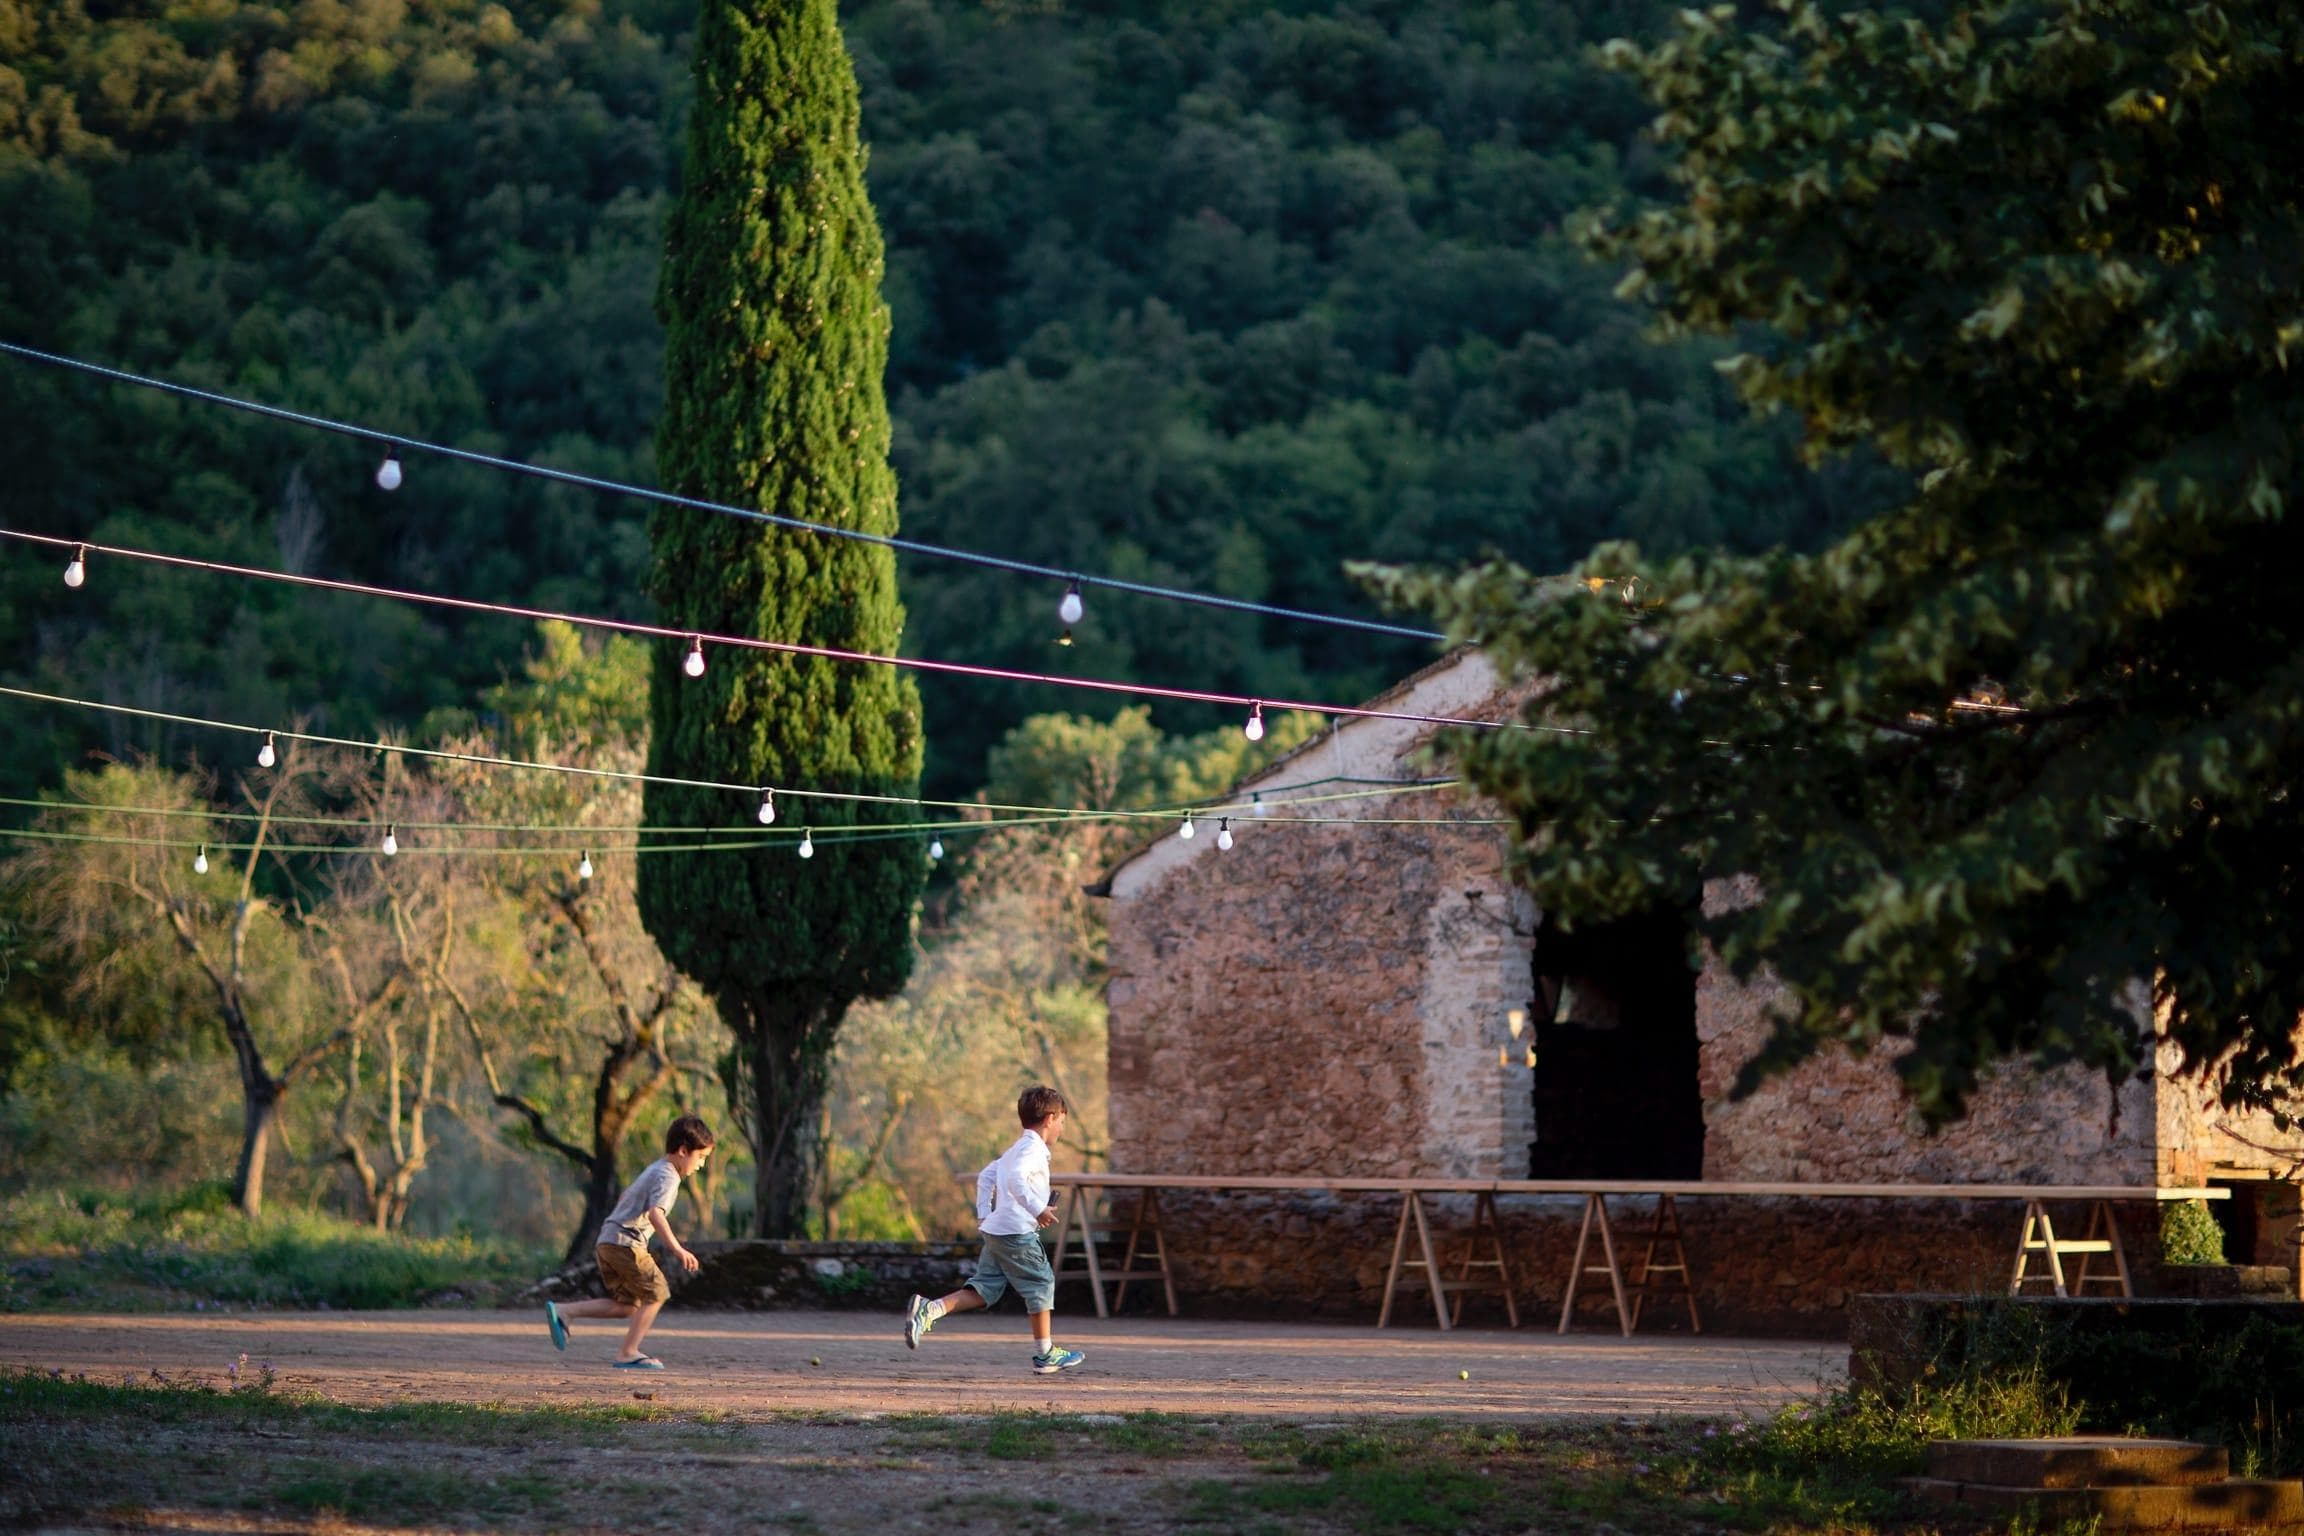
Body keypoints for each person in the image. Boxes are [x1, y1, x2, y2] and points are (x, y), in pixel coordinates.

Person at [903, 1085, 1085, 1374]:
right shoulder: (1032, 1150)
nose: (1062, 1128)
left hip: (997, 1229)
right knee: (1040, 1283)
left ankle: (930, 1310)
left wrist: (985, 1214)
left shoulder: (1016, 1149)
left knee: (984, 1290)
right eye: (1062, 1121)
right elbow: (1013, 1179)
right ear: (1050, 1118)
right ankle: (1046, 1354)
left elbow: (988, 1175)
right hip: (1015, 1232)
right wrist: (1036, 1209)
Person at [545, 1115, 715, 1370]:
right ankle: (628, 1352)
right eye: (700, 1158)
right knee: (657, 1292)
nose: (701, 1165)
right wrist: (677, 1248)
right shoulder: (669, 1176)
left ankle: (565, 1312)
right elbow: (656, 1213)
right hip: (626, 1243)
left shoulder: (655, 1168)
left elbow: (627, 1195)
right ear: (683, 1151)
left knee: (626, 1306)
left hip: (608, 1241)